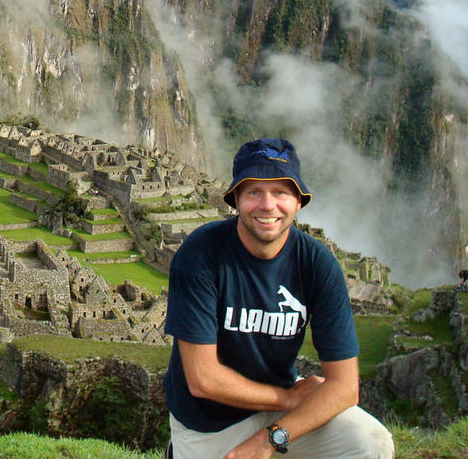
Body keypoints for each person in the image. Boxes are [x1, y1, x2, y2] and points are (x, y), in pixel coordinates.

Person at [163, 137, 394, 459]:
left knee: (371, 443)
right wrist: (288, 398)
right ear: (236, 199)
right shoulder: (202, 254)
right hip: (209, 419)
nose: (267, 205)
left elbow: (345, 387)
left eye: (280, 192)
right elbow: (203, 379)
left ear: (299, 201)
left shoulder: (317, 264)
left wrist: (268, 440)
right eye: (254, 192)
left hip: (280, 407)